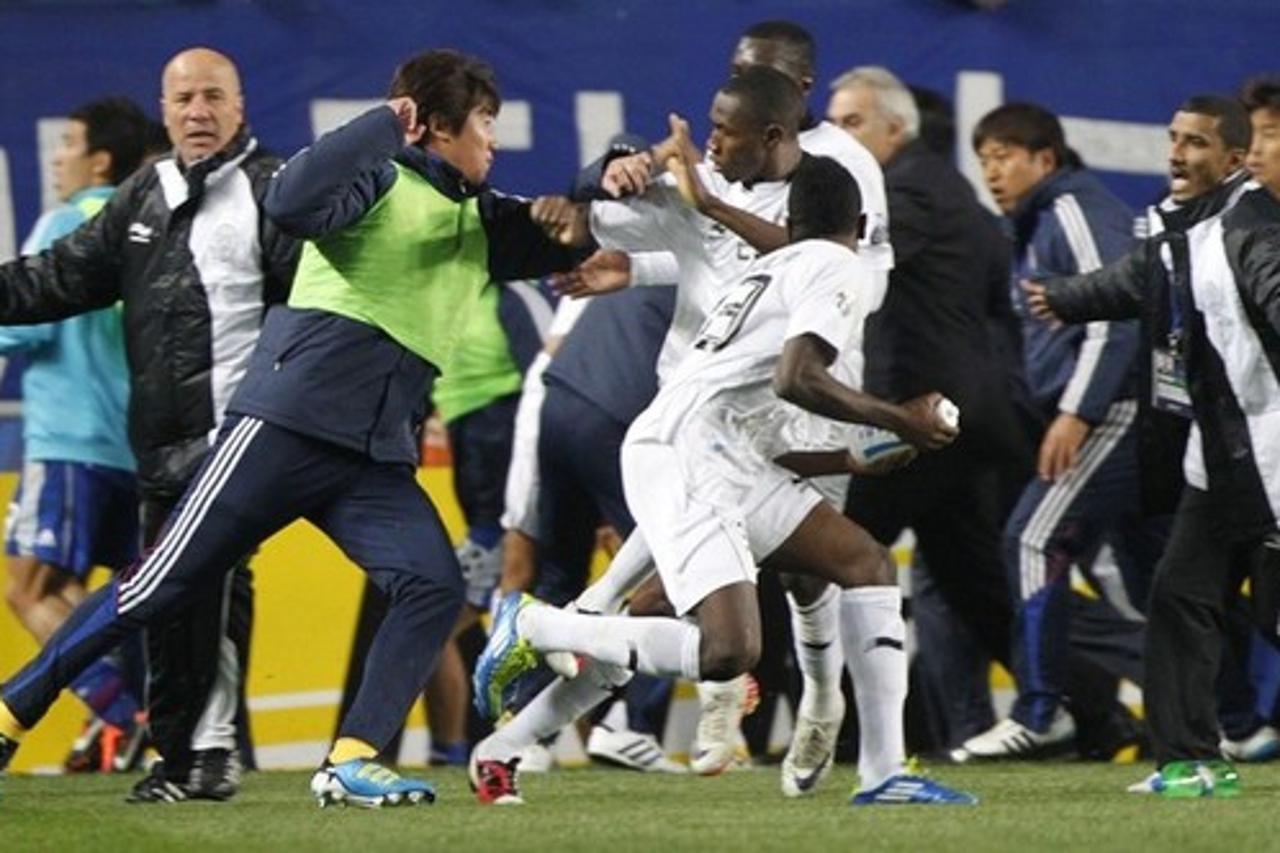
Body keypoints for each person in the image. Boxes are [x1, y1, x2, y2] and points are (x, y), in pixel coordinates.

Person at [0, 47, 578, 808]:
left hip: (372, 457)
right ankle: (13, 707)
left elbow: (575, 228)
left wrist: (610, 179)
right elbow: (295, 199)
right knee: (157, 587)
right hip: (284, 426)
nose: (493, 143)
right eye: (483, 126)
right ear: (435, 126)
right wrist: (382, 125)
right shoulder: (373, 177)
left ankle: (350, 756)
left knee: (432, 587)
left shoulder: (482, 215)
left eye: (215, 95)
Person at [476, 151, 975, 808]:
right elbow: (796, 377)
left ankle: (501, 749)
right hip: (690, 456)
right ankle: (539, 626)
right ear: (859, 222)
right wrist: (901, 418)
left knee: (864, 564)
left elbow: (775, 424)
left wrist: (852, 459)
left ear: (790, 219)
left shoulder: (772, 268)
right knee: (726, 649)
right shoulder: (835, 266)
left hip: (721, 453)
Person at [0, 50, 298, 803]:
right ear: (164, 112)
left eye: (212, 97)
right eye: (183, 98)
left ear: (239, 104)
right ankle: (182, 755)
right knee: (169, 601)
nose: (198, 111)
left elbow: (317, 306)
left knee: (204, 582)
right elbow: (56, 277)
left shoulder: (279, 190)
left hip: (243, 435)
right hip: (154, 446)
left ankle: (211, 749)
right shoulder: (142, 195)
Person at [1024, 81, 1280, 797]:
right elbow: (1136, 280)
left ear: (1233, 158)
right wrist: (1065, 299)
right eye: (1173, 137)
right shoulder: (1180, 228)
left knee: (1268, 610)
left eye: (1195, 141)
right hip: (1219, 456)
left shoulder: (1249, 228)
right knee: (1178, 595)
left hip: (1270, 452)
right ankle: (1191, 760)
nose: (1176, 152)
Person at [824, 66, 1041, 750]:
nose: (837, 135)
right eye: (832, 122)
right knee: (976, 589)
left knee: (826, 555)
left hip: (923, 420)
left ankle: (791, 727)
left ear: (896, 129)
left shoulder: (907, 192)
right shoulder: (948, 195)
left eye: (851, 122)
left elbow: (840, 265)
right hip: (955, 416)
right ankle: (1087, 708)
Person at [958, 102, 1166, 761]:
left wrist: (1077, 410)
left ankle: (1041, 710)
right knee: (1159, 579)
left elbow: (1119, 313)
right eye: (984, 158)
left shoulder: (1072, 211)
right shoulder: (1037, 221)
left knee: (1031, 538)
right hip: (1131, 409)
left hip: (1116, 407)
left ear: (1045, 159)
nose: (991, 171)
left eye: (1004, 157)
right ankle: (1237, 709)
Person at [0, 96, 151, 773]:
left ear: (99, 159)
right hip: (130, 446)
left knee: (27, 586)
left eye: (68, 144)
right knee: (103, 598)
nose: (56, 157)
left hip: (67, 438)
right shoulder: (140, 226)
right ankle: (133, 719)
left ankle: (129, 716)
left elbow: (22, 320)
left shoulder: (65, 221)